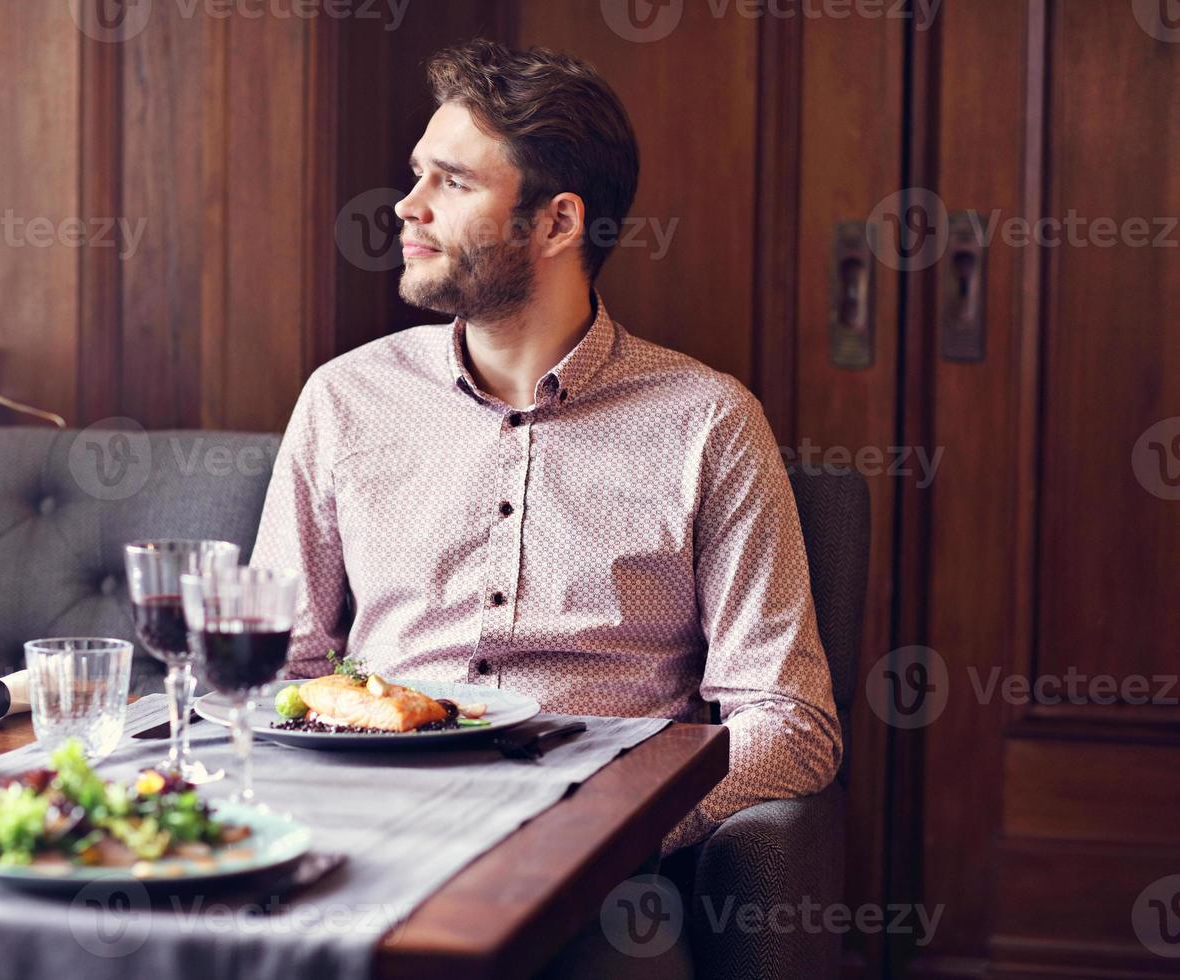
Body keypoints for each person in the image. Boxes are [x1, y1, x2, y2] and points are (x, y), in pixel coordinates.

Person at [250, 40, 841, 972]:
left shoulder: (708, 422)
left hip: (590, 869)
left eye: (451, 181)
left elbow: (788, 722)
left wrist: (607, 825)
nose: (407, 208)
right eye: (417, 176)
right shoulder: (344, 399)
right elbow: (278, 660)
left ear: (557, 221)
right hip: (365, 826)